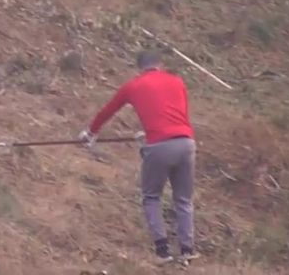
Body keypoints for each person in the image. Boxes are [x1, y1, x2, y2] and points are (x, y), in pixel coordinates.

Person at [78, 50, 199, 265]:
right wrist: (151, 133)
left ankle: (162, 251)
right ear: (159, 64)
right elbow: (179, 114)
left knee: (151, 197)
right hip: (186, 143)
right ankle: (187, 250)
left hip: (159, 146)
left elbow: (108, 110)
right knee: (183, 199)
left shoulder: (133, 85)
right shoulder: (177, 81)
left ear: (139, 67)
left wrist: (91, 133)